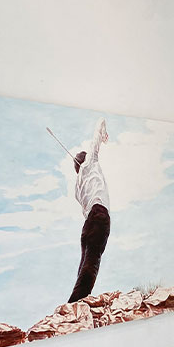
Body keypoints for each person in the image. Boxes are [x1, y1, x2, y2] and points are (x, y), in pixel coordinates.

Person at [68, 117, 111, 303]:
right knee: (92, 263)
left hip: (88, 223)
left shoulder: (77, 189)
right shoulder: (91, 162)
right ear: (84, 160)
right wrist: (104, 133)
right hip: (99, 215)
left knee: (84, 264)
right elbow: (99, 125)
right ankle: (76, 301)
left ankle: (77, 300)